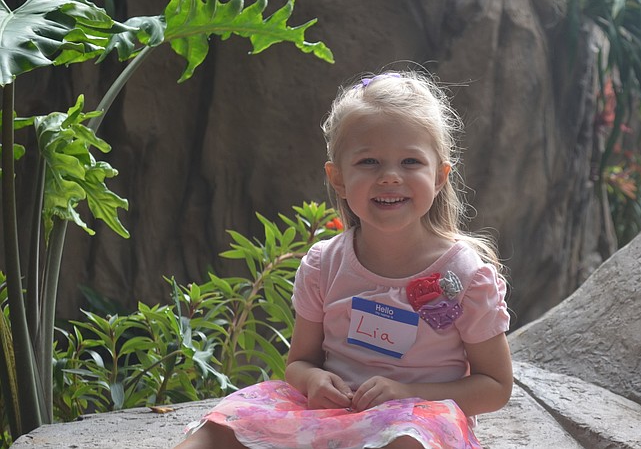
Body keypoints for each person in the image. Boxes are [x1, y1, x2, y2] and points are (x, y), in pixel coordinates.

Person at [173, 69, 512, 449]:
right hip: (329, 414)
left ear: (439, 177)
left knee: (406, 441)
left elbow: (495, 386)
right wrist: (313, 381)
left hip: (418, 418)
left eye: (410, 162)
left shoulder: (463, 274)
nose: (390, 177)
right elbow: (299, 363)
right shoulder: (324, 264)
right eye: (368, 162)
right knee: (222, 425)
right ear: (338, 179)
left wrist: (407, 393)